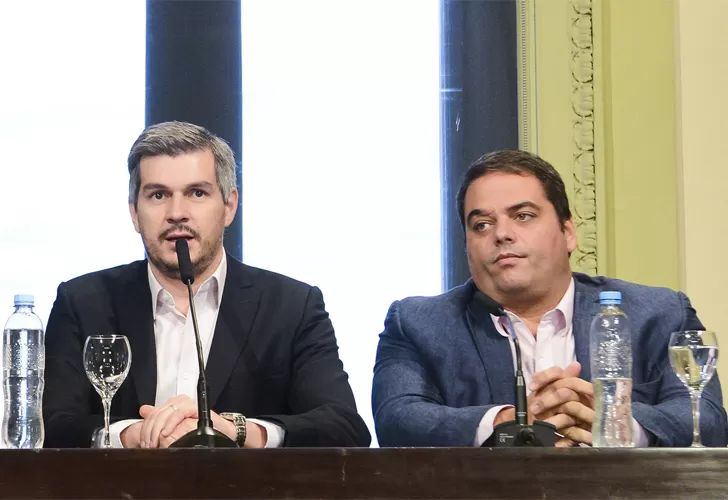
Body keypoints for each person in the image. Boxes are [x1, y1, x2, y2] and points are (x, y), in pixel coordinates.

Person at [43, 121, 370, 449]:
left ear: (229, 206)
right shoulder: (83, 302)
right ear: (134, 213)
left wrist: (234, 429)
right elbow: (50, 424)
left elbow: (343, 427)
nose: (176, 213)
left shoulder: (291, 306)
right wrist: (132, 434)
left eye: (197, 193)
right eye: (158, 195)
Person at [372, 149, 727, 447]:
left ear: (567, 232)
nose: (502, 235)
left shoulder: (657, 314)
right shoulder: (418, 323)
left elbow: (708, 421)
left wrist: (611, 422)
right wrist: (511, 422)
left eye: (522, 216)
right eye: (481, 224)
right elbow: (397, 420)